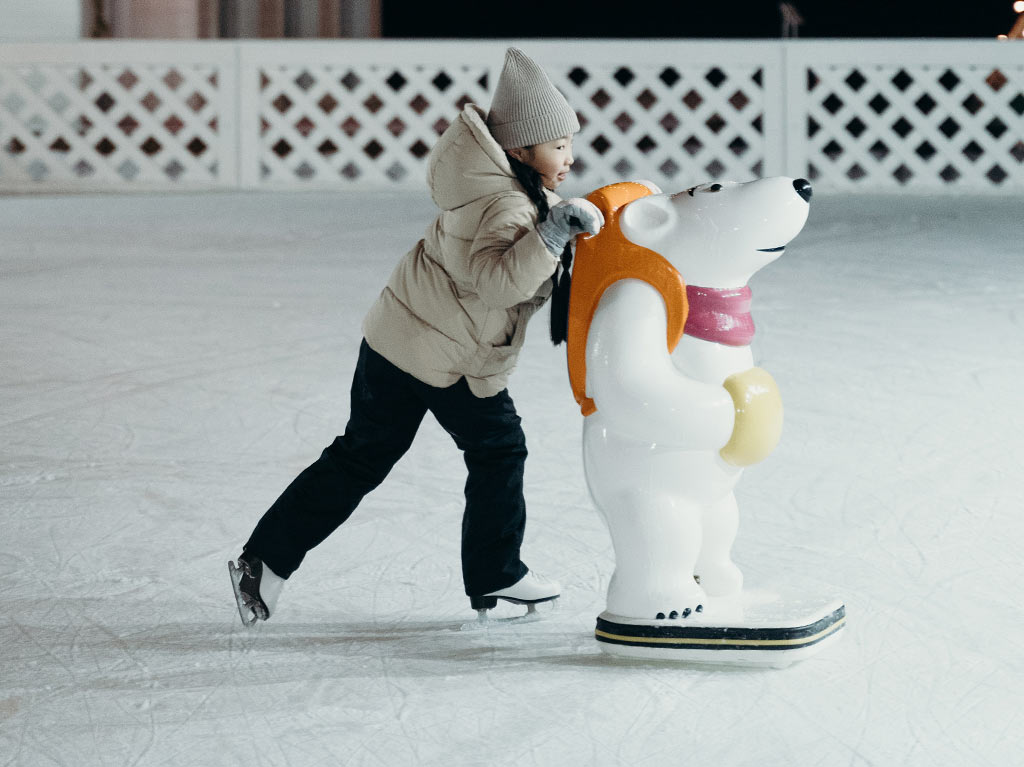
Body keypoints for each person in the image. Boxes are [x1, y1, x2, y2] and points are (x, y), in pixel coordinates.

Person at [229, 47, 604, 626]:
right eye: (559, 146)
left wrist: (561, 228)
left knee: (361, 456)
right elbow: (499, 283)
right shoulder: (506, 205)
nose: (570, 157)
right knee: (499, 448)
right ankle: (496, 573)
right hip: (445, 354)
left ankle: (265, 560)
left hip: (396, 339)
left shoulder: (493, 188)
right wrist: (553, 234)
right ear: (519, 150)